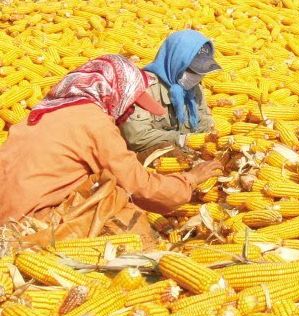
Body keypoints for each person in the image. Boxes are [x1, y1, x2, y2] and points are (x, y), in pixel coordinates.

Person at [0, 54, 222, 247]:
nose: (131, 110)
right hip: (28, 226)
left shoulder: (45, 111)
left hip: (6, 214)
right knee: (115, 195)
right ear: (114, 94)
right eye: (131, 102)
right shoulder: (94, 123)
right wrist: (189, 179)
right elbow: (140, 187)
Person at [119, 30, 220, 156]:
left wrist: (213, 137)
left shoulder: (192, 87)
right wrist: (182, 140)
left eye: (200, 72)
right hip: (146, 161)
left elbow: (204, 120)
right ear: (176, 62)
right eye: (192, 71)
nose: (197, 77)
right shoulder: (142, 88)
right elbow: (136, 137)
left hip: (182, 158)